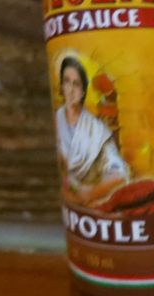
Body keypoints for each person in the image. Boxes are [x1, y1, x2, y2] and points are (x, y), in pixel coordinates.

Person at [55, 57, 130, 206]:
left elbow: (120, 173)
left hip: (90, 202)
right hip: (67, 204)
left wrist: (91, 192)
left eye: (76, 84)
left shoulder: (97, 129)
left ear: (83, 91)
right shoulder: (56, 118)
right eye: (66, 81)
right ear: (61, 87)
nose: (70, 89)